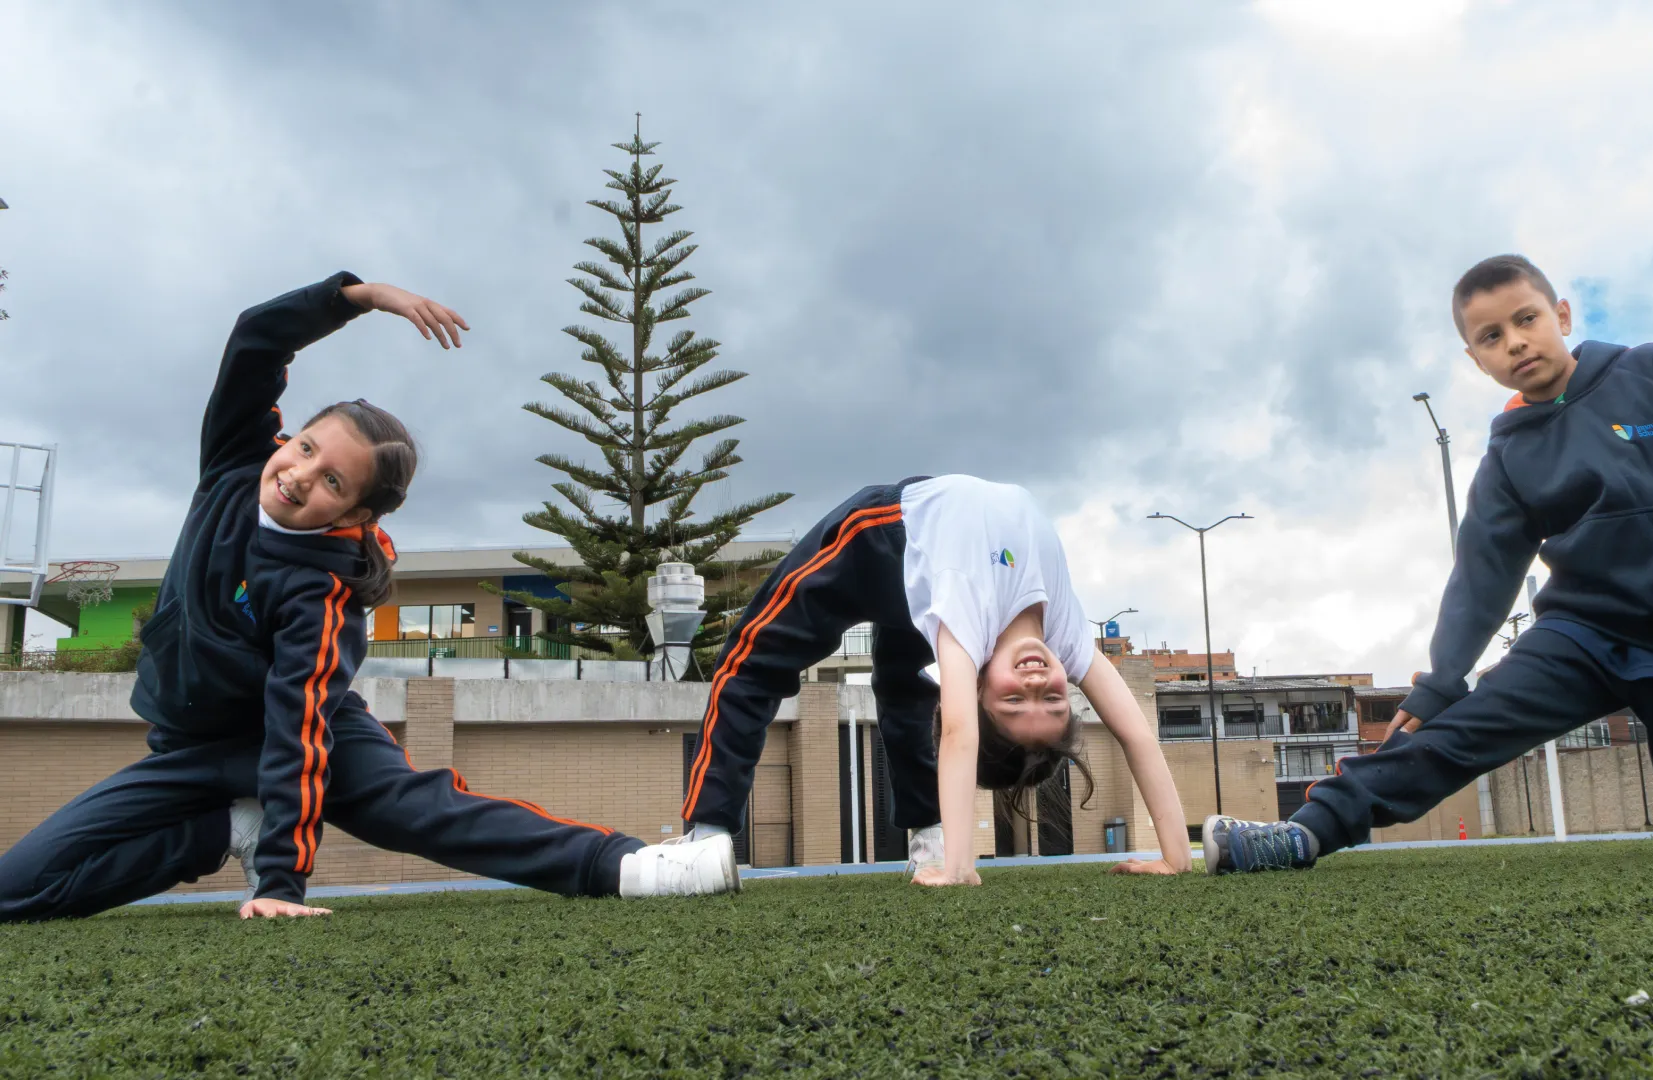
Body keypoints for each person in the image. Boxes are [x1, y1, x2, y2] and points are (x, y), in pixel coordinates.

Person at [0, 272, 720, 922]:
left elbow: (297, 727)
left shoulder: (317, 591)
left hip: (308, 735)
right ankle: (222, 830)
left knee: (419, 813)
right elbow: (254, 340)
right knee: (13, 891)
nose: (300, 475)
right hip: (191, 748)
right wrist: (363, 297)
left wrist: (280, 882)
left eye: (333, 482)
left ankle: (626, 864)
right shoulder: (234, 464)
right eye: (306, 448)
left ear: (356, 514)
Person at [1205, 254, 1653, 875]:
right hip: (1585, 637)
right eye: (1491, 336)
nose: (1515, 342)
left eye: (1526, 319)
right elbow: (1480, 579)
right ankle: (1304, 833)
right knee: (1458, 732)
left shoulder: (1650, 371)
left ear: (1561, 315)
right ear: (1475, 359)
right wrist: (1439, 686)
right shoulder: (1509, 454)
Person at [676, 474, 1193, 887]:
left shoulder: (965, 621)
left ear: (975, 690)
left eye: (1015, 700)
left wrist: (960, 869)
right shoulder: (1068, 635)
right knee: (758, 658)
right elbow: (1136, 734)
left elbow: (959, 732)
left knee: (898, 691)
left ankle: (711, 836)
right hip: (898, 530)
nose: (1036, 681)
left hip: (886, 551)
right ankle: (710, 837)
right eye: (1054, 698)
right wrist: (1176, 857)